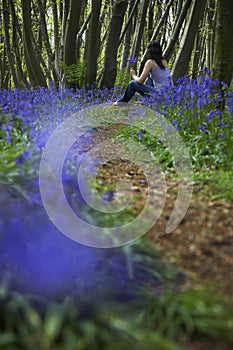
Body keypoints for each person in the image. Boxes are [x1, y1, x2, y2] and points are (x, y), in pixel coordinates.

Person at [114, 41, 173, 105]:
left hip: (160, 95)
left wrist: (133, 75)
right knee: (150, 77)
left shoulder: (150, 62)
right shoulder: (164, 61)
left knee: (132, 84)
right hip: (170, 95)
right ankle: (148, 101)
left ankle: (121, 102)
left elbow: (140, 81)